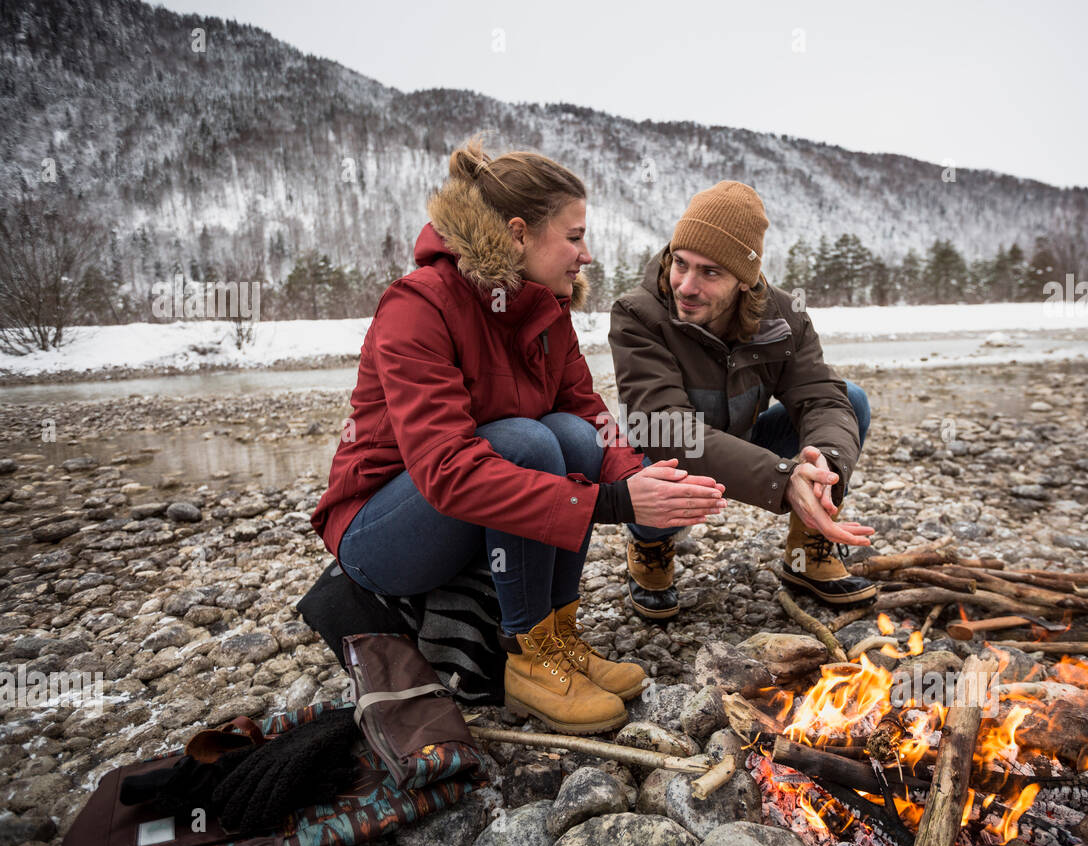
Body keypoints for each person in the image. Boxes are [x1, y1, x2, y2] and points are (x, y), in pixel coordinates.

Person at [309, 138, 728, 733]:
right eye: (575, 236)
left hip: (466, 510)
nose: (586, 255)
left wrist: (642, 483)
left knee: (570, 436)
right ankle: (526, 663)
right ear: (517, 233)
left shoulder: (542, 311)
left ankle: (556, 638)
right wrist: (610, 503)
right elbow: (447, 469)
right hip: (379, 532)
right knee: (526, 443)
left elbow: (588, 414)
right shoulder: (419, 305)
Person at [608, 180, 877, 621]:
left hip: (743, 441)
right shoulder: (639, 314)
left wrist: (821, 469)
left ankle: (807, 553)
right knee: (648, 463)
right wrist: (782, 478)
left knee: (851, 399)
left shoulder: (783, 319)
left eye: (710, 272)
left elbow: (821, 399)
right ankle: (651, 542)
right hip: (667, 454)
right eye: (680, 263)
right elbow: (666, 427)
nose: (686, 286)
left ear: (744, 281)